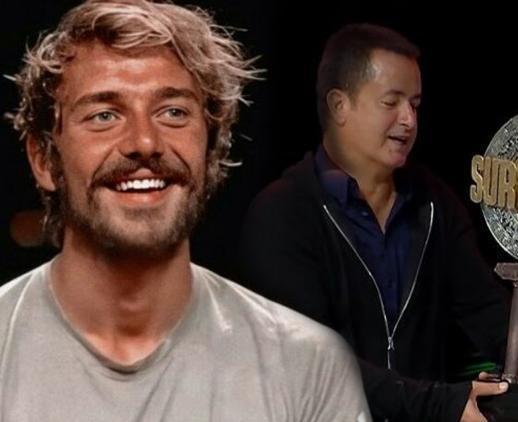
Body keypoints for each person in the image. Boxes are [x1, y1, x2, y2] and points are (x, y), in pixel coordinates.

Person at [0, 1, 371, 420]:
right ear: (43, 159)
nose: (144, 142)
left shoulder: (307, 368)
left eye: (173, 112)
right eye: (104, 115)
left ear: (211, 148)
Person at [240, 23, 518, 422]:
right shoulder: (282, 213)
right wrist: (442, 404)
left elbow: (486, 313)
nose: (409, 120)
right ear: (339, 105)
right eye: (392, 102)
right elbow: (312, 362)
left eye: (415, 104)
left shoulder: (434, 204)